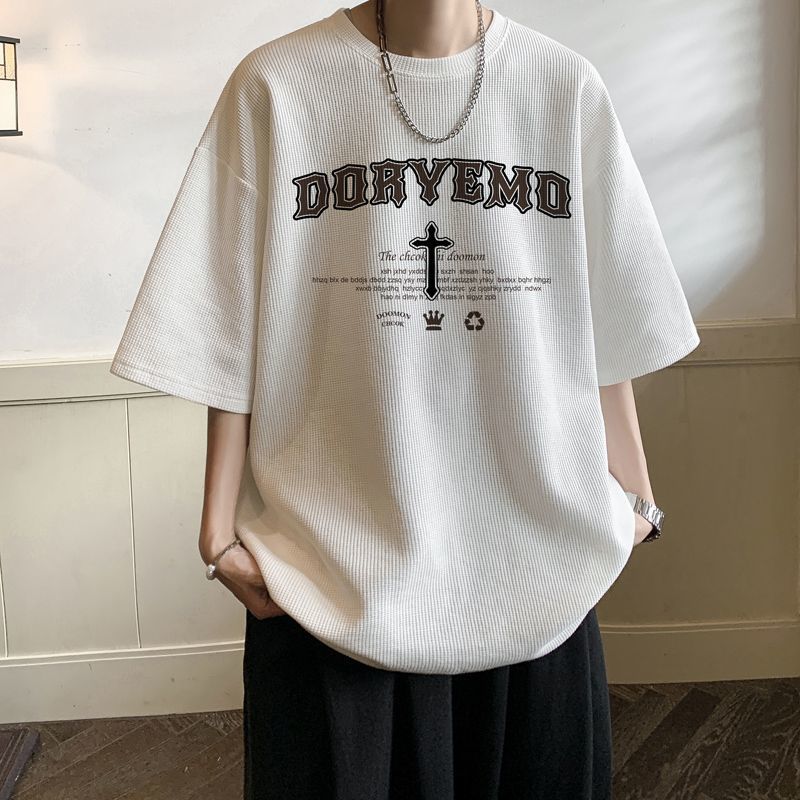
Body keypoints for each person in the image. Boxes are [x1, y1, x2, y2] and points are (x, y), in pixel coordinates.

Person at [110, 0, 700, 797]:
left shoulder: (562, 86)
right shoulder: (278, 85)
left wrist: (636, 496)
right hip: (328, 576)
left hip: (540, 567)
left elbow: (605, 312)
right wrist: (217, 531)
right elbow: (226, 313)